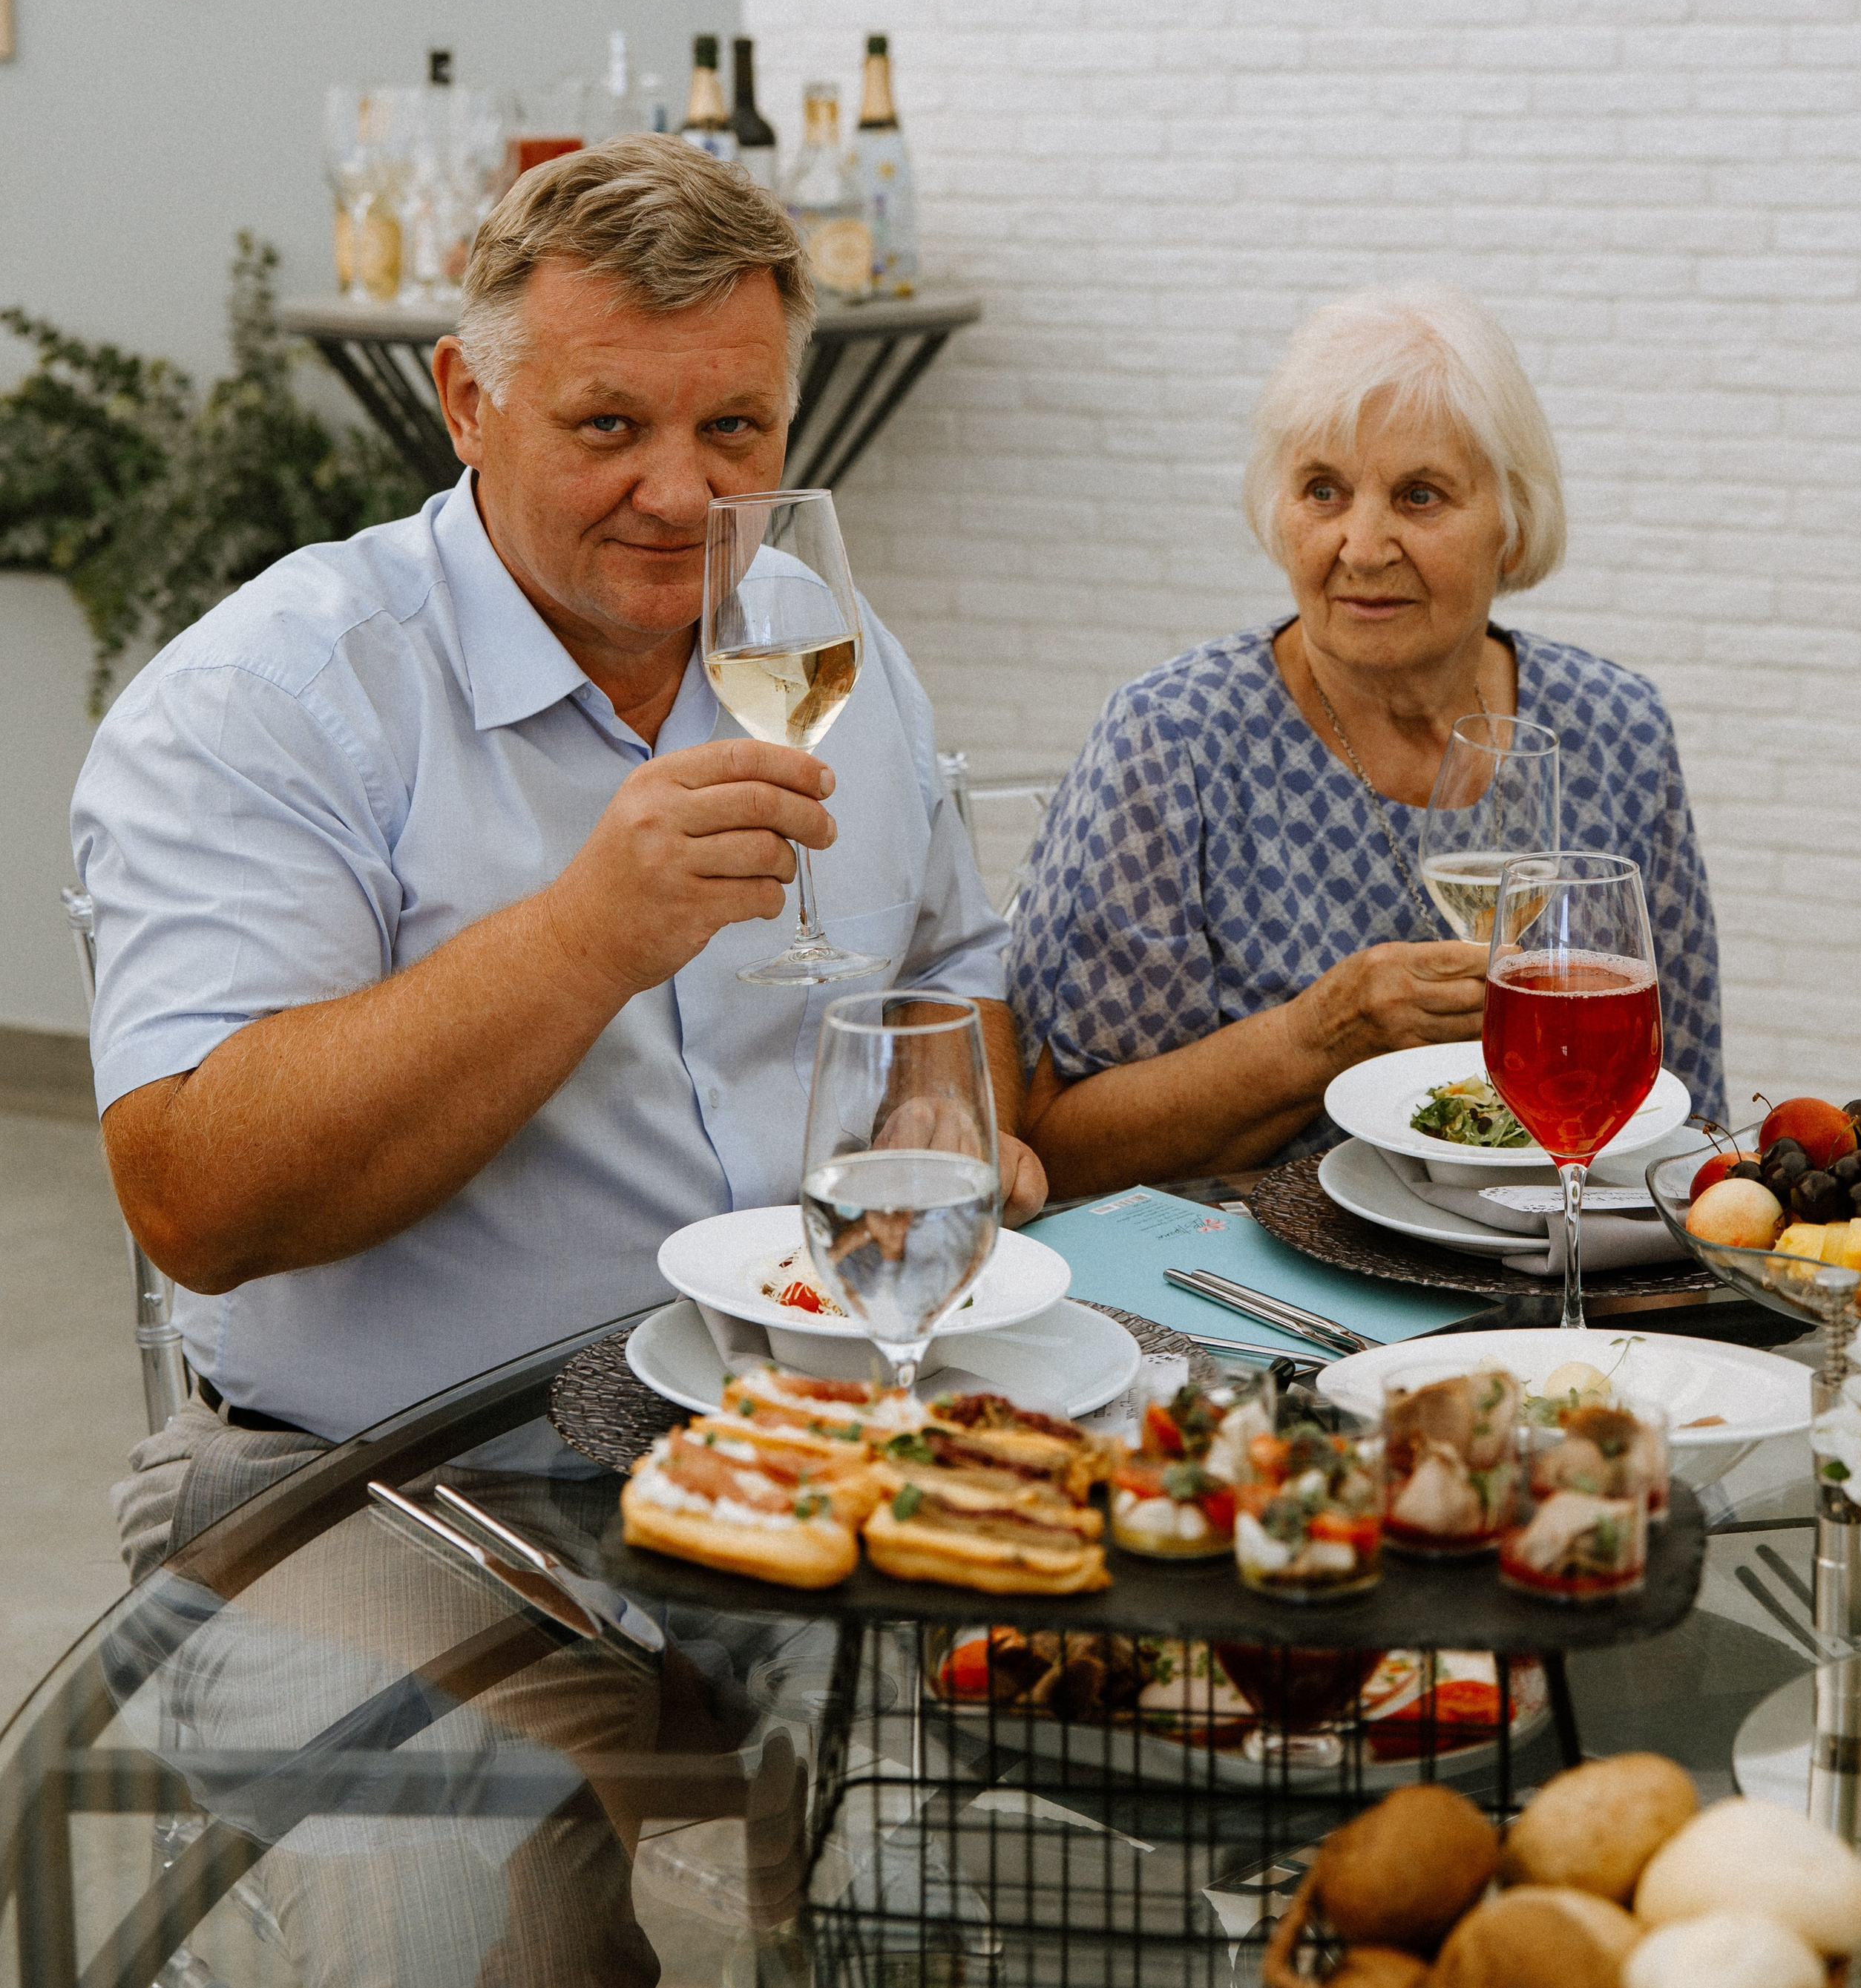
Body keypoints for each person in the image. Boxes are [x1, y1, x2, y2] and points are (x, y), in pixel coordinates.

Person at [73, 139, 1043, 1982]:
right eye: (606, 423)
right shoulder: (270, 695)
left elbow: (949, 967)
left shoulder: (818, 642)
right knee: (437, 1925)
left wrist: (941, 1106)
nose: (681, 493)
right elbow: (196, 1188)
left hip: (791, 1460)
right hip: (377, 1495)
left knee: (1025, 1850)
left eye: (736, 430)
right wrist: (589, 928)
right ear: (468, 398)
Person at [1012, 283, 1722, 1198]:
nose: (1362, 542)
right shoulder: (1172, 738)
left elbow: (1688, 1111)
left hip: (1549, 1277)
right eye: (1323, 491)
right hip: (1255, 1297)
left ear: (1510, 522)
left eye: (1419, 496)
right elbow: (1055, 1148)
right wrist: (1317, 1036)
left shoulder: (1614, 729)